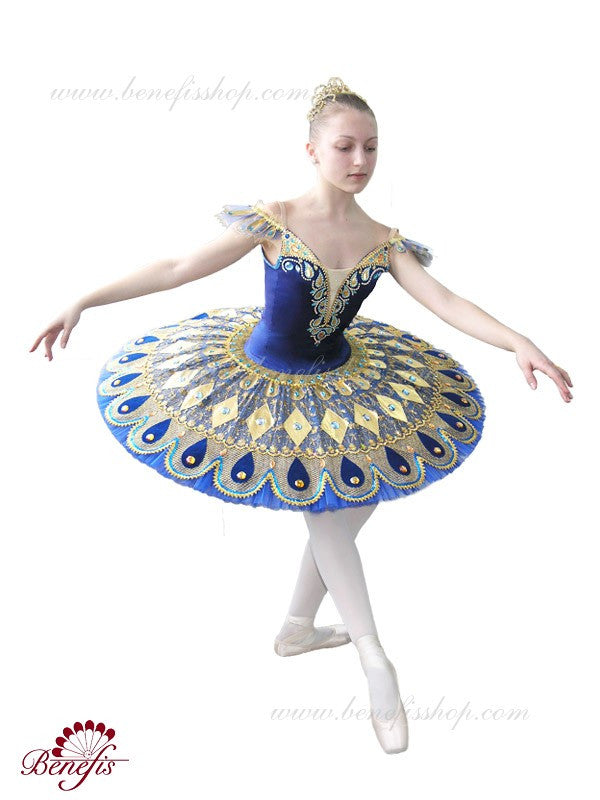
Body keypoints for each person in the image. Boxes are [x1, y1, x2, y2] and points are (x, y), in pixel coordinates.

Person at [30, 77, 573, 755]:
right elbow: (176, 266)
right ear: (312, 150)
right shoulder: (275, 219)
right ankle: (376, 660)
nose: (360, 160)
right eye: (345, 146)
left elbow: (447, 302)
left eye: (371, 147)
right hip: (263, 383)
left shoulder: (384, 240)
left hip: (348, 381)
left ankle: (296, 629)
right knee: (328, 511)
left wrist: (519, 341)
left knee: (348, 503)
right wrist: (83, 299)